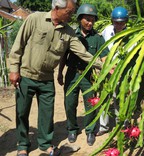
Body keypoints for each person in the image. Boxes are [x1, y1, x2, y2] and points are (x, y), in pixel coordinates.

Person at [8, 0, 103, 155]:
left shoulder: (69, 32)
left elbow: (83, 53)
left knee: (47, 114)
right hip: (26, 75)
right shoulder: (35, 19)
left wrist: (104, 66)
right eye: (69, 12)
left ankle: (45, 144)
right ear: (57, 8)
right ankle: (23, 145)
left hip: (46, 79)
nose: (72, 16)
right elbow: (18, 45)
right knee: (22, 112)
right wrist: (14, 70)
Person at [57, 3, 109, 146]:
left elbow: (104, 57)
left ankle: (90, 131)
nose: (90, 22)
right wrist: (60, 73)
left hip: (89, 76)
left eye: (92, 19)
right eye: (87, 19)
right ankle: (72, 129)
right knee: (69, 103)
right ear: (80, 19)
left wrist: (109, 69)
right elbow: (63, 56)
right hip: (72, 74)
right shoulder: (71, 35)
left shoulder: (98, 38)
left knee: (90, 104)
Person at [96, 6, 129, 136]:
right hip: (106, 70)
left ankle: (122, 125)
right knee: (104, 98)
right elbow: (102, 46)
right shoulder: (107, 30)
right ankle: (103, 126)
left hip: (122, 72)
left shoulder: (131, 34)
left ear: (126, 21)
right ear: (112, 21)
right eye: (116, 22)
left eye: (122, 22)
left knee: (119, 99)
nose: (119, 25)